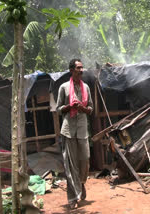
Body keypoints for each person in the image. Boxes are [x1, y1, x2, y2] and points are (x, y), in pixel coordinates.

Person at [56, 59, 93, 209]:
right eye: (78, 68)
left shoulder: (86, 87)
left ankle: (81, 183)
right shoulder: (64, 87)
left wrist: (82, 108)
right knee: (70, 165)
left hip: (82, 129)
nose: (81, 70)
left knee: (85, 160)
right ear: (71, 70)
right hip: (68, 130)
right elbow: (58, 109)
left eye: (82, 67)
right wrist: (69, 106)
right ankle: (72, 198)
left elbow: (91, 108)